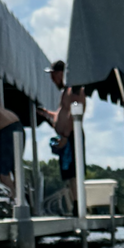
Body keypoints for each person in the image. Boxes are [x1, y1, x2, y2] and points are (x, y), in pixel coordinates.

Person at [39, 60, 86, 213]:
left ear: (60, 74)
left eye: (53, 75)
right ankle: (75, 203)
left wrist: (65, 135)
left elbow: (75, 113)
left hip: (72, 136)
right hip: (66, 136)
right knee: (68, 174)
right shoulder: (65, 92)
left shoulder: (73, 91)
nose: (52, 78)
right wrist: (45, 113)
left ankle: (78, 206)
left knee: (73, 173)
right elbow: (61, 116)